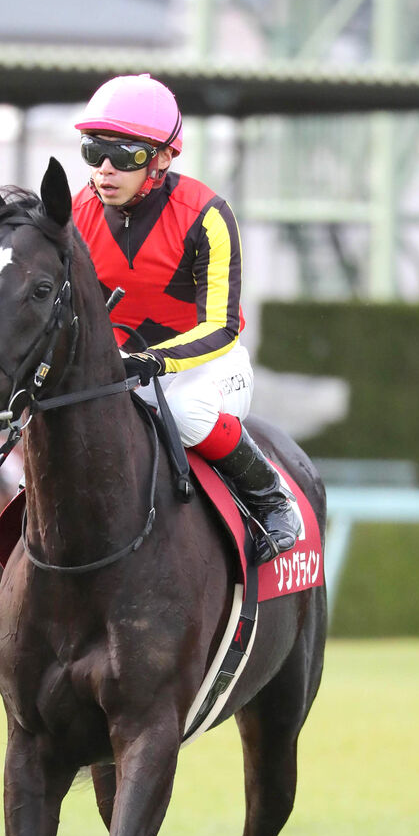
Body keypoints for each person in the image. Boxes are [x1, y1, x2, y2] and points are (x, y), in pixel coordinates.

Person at [72, 73, 299, 564]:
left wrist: (151, 360)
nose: (105, 170)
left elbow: (221, 326)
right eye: (94, 151)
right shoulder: (78, 214)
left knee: (187, 413)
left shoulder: (207, 215)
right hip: (122, 368)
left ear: (162, 157)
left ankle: (271, 498)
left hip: (206, 367)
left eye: (125, 155)